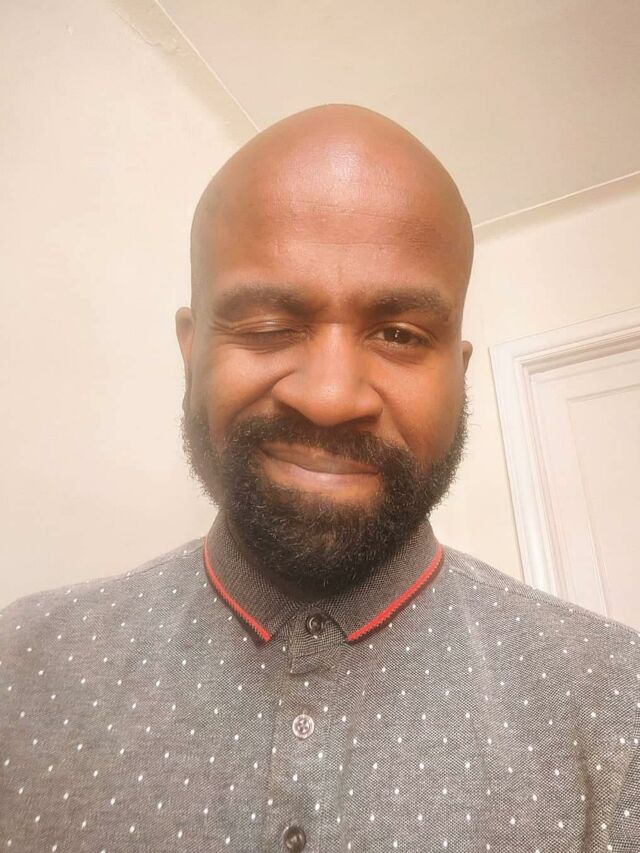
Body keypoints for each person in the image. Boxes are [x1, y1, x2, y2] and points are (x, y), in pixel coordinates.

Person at [1, 105, 638, 853]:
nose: (331, 398)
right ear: (191, 349)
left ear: (458, 373)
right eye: (268, 327)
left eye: (399, 334)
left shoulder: (617, 702)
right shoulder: (21, 667)